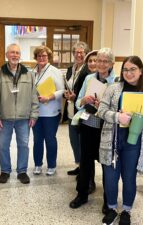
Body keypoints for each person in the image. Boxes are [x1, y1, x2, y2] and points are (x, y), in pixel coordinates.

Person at [98, 56, 143, 225]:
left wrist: (137, 120)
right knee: (110, 177)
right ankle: (111, 208)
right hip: (112, 140)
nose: (129, 73)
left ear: (141, 71)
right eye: (125, 69)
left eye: (133, 69)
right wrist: (118, 116)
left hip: (134, 143)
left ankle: (126, 211)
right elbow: (101, 110)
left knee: (129, 177)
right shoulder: (113, 88)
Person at [69, 48, 116, 213]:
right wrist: (84, 100)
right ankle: (81, 194)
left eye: (105, 61)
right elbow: (77, 103)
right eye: (98, 60)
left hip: (106, 128)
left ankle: (108, 200)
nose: (100, 64)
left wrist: (103, 104)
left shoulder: (116, 81)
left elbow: (118, 107)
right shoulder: (89, 78)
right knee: (85, 162)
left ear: (111, 63)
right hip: (88, 124)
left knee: (106, 165)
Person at [0, 43, 39, 184]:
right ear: (7, 55)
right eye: (12, 52)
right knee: (3, 146)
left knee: (23, 145)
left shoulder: (29, 74)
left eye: (17, 53)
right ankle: (5, 171)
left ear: (20, 56)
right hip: (4, 117)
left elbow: (34, 96)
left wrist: (33, 115)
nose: (15, 55)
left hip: (23, 118)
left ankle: (22, 171)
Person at [32, 46, 64, 176]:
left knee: (50, 139)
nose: (41, 58)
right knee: (37, 140)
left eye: (44, 56)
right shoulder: (32, 71)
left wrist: (49, 97)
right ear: (36, 58)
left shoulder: (54, 71)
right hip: (36, 112)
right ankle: (38, 164)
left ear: (48, 57)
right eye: (39, 56)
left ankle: (52, 165)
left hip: (51, 112)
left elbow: (62, 91)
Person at [63, 41, 90, 176]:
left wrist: (76, 98)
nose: (78, 55)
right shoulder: (70, 69)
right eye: (76, 52)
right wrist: (66, 94)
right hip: (70, 110)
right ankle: (80, 166)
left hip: (81, 112)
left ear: (85, 54)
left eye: (81, 52)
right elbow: (67, 86)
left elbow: (87, 92)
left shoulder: (88, 70)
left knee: (82, 143)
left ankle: (85, 171)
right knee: (74, 141)